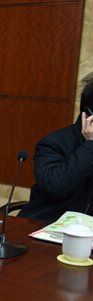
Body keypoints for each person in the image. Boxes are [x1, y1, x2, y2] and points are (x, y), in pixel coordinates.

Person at [18, 75, 93, 222]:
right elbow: (57, 187)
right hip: (43, 227)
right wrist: (90, 146)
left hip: (85, 232)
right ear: (88, 116)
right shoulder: (53, 144)